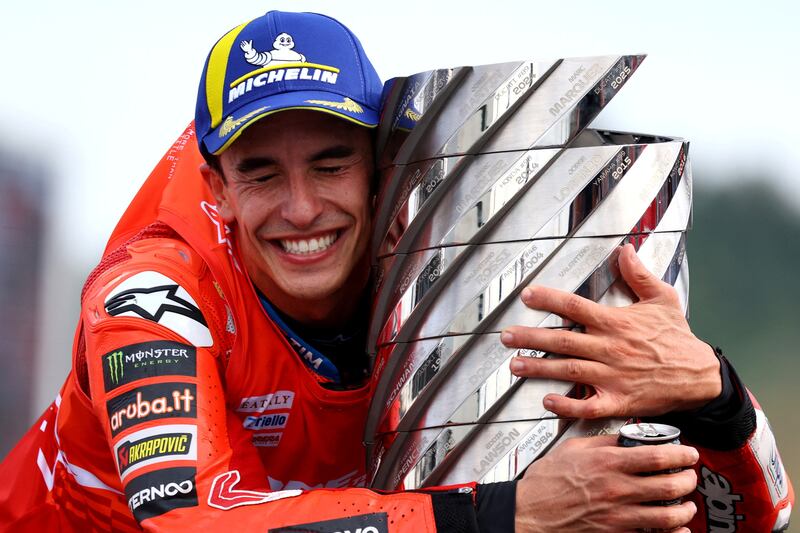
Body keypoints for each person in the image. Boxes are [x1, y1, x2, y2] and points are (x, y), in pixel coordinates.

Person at [0, 10, 792, 532]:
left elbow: (755, 518)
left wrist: (710, 393)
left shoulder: (451, 265)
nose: (303, 208)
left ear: (381, 170)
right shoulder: (149, 296)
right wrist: (506, 513)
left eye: (331, 163)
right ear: (217, 186)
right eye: (263, 173)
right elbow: (192, 524)